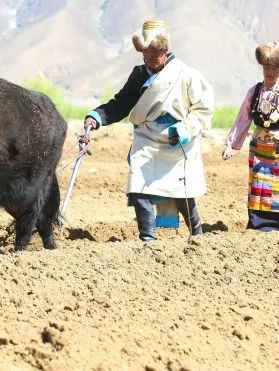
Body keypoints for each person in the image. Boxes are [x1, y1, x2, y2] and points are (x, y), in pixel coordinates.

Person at [81, 19, 214, 242]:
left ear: (166, 50)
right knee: (138, 187)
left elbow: (203, 109)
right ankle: (148, 239)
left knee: (181, 193)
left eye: (156, 52)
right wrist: (96, 117)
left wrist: (186, 129)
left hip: (178, 141)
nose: (151, 57)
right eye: (146, 52)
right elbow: (121, 104)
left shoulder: (186, 74)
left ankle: (198, 234)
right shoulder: (139, 74)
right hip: (147, 139)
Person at [222, 42, 279, 231]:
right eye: (266, 67)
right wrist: (231, 146)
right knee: (260, 186)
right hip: (260, 146)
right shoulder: (254, 92)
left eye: (274, 68)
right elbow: (242, 120)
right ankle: (259, 225)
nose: (269, 72)